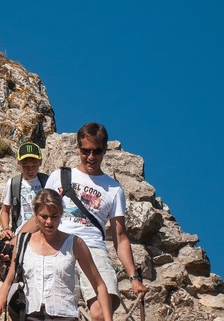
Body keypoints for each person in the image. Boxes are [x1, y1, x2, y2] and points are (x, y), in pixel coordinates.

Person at [20, 122, 147, 321]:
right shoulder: (59, 176)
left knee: (99, 313)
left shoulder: (114, 189)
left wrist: (134, 278)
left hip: (93, 247)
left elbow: (120, 237)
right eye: (86, 151)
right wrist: (15, 243)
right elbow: (40, 218)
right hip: (58, 245)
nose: (91, 157)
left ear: (105, 150)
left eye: (97, 151)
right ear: (78, 148)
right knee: (47, 310)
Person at [0, 189, 112, 321]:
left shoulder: (75, 243)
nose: (49, 222)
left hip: (65, 316)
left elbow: (98, 284)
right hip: (29, 316)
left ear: (61, 214)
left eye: (54, 216)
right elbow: (8, 282)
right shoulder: (23, 242)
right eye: (44, 216)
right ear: (35, 215)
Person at [0, 142, 48, 302]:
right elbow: (5, 210)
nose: (30, 169)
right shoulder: (13, 183)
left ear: (40, 162)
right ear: (18, 164)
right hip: (17, 233)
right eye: (25, 165)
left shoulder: (48, 182)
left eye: (34, 165)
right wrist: (6, 228)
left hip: (42, 233)